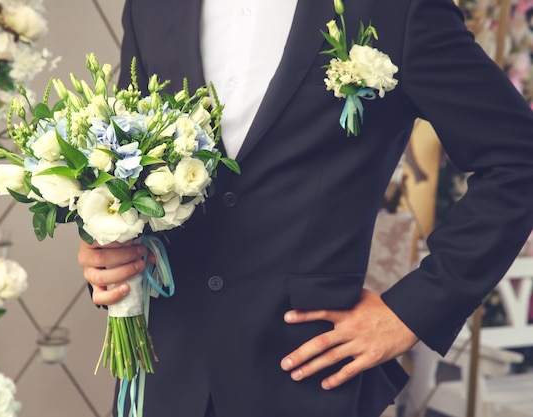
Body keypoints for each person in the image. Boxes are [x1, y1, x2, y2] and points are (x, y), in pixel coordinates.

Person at [77, 0, 533, 416]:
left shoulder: (398, 9)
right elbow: (126, 164)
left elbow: (518, 159)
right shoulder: (150, 8)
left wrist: (411, 312)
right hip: (159, 376)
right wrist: (109, 247)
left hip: (300, 378)